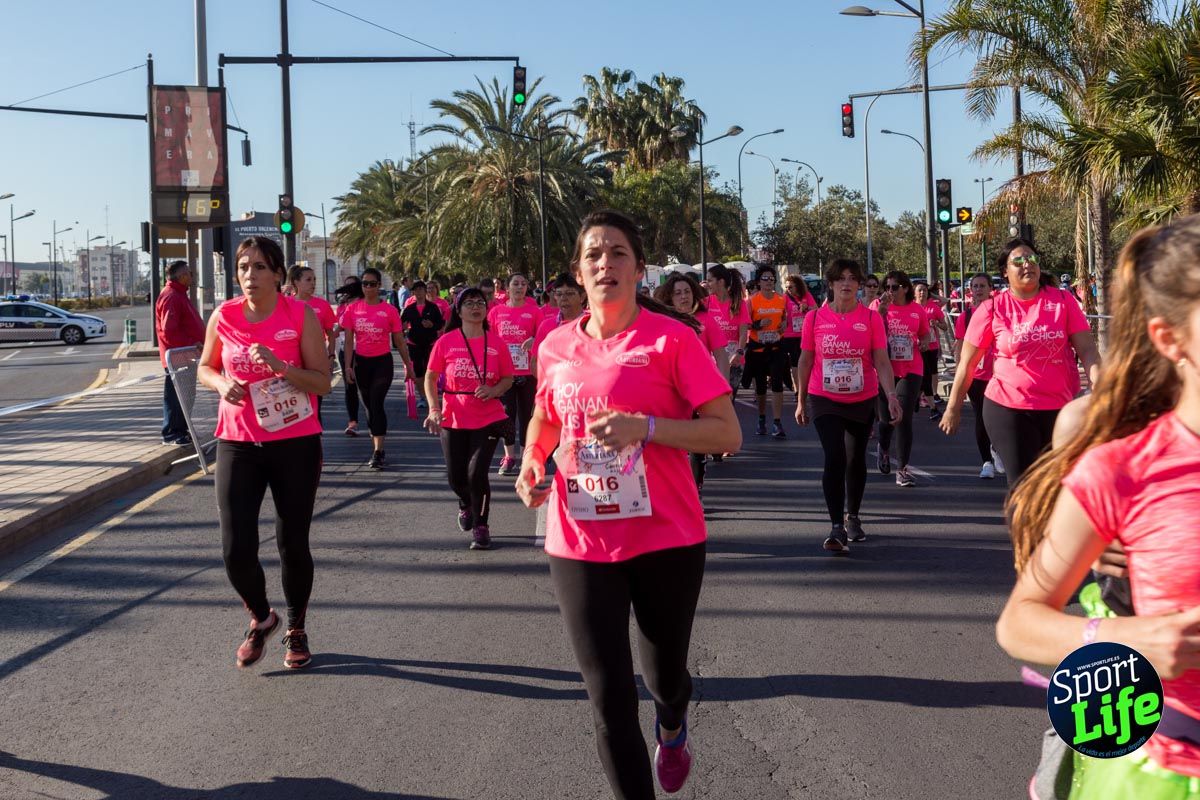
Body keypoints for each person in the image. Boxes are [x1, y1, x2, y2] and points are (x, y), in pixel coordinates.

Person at [517, 210, 740, 799]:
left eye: (617, 253)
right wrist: (531, 463)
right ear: (577, 271)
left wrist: (648, 428)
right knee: (609, 696)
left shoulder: (673, 340)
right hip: (578, 538)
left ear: (639, 270)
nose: (604, 264)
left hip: (666, 537)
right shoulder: (555, 346)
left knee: (664, 679)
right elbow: (545, 418)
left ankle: (672, 723)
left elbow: (725, 434)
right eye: (593, 254)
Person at [996, 215, 1200, 797]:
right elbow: (1021, 617)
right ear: (1168, 337)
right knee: (1068, 765)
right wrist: (1130, 641)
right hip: (1147, 729)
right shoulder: (1108, 445)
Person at [196, 236, 331, 670]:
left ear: (277, 273)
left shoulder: (300, 315)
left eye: (258, 267)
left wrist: (281, 366)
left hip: (294, 443)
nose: (249, 275)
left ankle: (296, 628)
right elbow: (205, 366)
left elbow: (322, 382)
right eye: (242, 267)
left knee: (292, 542)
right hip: (238, 441)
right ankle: (261, 616)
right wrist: (220, 384)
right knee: (235, 547)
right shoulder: (225, 315)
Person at [940, 238, 1101, 487]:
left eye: (1031, 258)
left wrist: (1100, 386)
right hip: (1008, 408)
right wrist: (953, 407)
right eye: (1018, 261)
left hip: (1059, 407)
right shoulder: (992, 309)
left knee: (1057, 487)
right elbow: (967, 364)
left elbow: (1088, 351)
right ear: (1005, 271)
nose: (1027, 264)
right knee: (1025, 488)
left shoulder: (1062, 301)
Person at [795, 259, 902, 552]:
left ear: (858, 284)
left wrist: (891, 395)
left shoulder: (870, 319)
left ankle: (852, 515)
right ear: (830, 284)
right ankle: (836, 526)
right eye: (840, 279)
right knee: (835, 455)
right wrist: (801, 399)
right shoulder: (814, 319)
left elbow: (881, 359)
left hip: (861, 398)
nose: (846, 284)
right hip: (824, 396)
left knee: (855, 460)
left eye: (852, 279)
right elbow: (805, 360)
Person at [423, 287, 515, 551]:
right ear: (459, 310)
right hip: (453, 416)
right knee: (456, 478)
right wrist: (433, 408)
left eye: (480, 303)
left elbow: (508, 378)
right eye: (469, 303)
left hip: (488, 416)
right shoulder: (446, 341)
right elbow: (430, 377)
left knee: (477, 474)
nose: (476, 307)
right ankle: (465, 503)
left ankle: (481, 526)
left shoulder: (496, 343)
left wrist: (494, 390)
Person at [654, 271, 731, 494]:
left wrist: (724, 390)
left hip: (700, 393)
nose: (683, 296)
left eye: (687, 292)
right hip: (670, 393)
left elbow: (721, 354)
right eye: (678, 293)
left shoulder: (706, 320)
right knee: (670, 445)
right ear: (670, 297)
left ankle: (694, 491)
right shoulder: (662, 322)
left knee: (697, 446)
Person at [341, 268, 415, 470]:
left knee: (376, 403)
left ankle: (378, 451)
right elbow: (348, 342)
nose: (368, 287)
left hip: (382, 363)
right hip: (361, 363)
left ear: (379, 285)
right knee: (368, 407)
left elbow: (400, 342)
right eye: (365, 284)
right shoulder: (353, 309)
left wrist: (408, 366)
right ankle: (377, 444)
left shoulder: (389, 310)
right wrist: (347, 366)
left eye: (372, 284)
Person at [872, 271, 930, 487]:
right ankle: (884, 448)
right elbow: (870, 330)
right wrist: (881, 310)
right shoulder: (878, 306)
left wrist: (924, 342)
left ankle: (902, 469)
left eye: (894, 287)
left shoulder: (917, 310)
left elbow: (925, 333)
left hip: (911, 368)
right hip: (884, 369)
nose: (890, 291)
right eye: (886, 287)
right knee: (886, 421)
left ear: (905, 288)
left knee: (903, 418)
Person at [488, 273, 541, 476]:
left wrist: (534, 340)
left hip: (528, 371)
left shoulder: (534, 311)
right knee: (507, 415)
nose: (520, 287)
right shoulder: (496, 312)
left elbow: (544, 336)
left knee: (528, 416)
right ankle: (510, 457)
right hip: (505, 373)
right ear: (507, 288)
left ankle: (528, 458)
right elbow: (490, 341)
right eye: (515, 284)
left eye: (523, 284)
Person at [952, 273, 1002, 479]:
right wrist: (960, 372)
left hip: (1000, 374)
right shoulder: (967, 316)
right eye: (975, 286)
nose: (978, 289)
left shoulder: (1001, 312)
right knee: (981, 417)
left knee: (1000, 418)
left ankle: (998, 449)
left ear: (991, 288)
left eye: (982, 285)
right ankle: (987, 462)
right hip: (977, 375)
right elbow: (959, 346)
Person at [154, 260, 205, 446]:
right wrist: (192, 344)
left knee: (186, 396)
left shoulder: (179, 294)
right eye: (190, 273)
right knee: (177, 397)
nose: (192, 276)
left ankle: (182, 430)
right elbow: (169, 330)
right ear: (182, 275)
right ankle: (172, 433)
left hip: (186, 356)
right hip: (179, 358)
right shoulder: (172, 296)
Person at [287, 265, 338, 424]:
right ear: (296, 282)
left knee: (315, 404)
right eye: (308, 279)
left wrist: (330, 356)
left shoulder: (322, 305)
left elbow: (330, 334)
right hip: (293, 362)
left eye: (314, 279)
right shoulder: (285, 303)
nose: (313, 283)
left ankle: (315, 436)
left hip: (316, 361)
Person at [745, 265, 789, 439]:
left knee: (778, 382)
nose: (769, 281)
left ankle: (777, 422)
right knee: (761, 386)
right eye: (765, 278)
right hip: (758, 347)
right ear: (759, 281)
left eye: (772, 278)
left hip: (777, 346)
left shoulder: (781, 299)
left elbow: (784, 318)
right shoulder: (752, 301)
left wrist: (783, 325)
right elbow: (745, 324)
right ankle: (762, 418)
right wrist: (757, 324)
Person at [704, 263, 750, 393]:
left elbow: (743, 332)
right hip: (711, 361)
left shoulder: (739, 304)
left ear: (721, 282)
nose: (707, 284)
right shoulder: (705, 302)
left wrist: (739, 352)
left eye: (710, 280)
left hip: (734, 360)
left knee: (728, 399)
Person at [400, 281, 444, 411]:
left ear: (425, 292)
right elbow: (400, 325)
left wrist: (432, 325)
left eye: (421, 290)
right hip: (414, 343)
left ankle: (432, 395)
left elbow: (440, 324)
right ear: (413, 292)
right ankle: (423, 397)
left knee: (430, 370)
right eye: (416, 290)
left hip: (430, 343)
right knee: (418, 371)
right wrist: (403, 328)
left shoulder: (433, 307)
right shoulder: (410, 308)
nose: (418, 293)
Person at [332, 276, 364, 436]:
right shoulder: (342, 306)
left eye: (353, 285)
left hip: (366, 350)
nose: (349, 288)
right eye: (347, 285)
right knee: (349, 386)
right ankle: (353, 422)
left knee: (365, 387)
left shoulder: (365, 303)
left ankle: (374, 418)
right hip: (346, 349)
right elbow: (339, 326)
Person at [913, 281, 948, 419]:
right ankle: (932, 407)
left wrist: (937, 324)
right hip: (916, 347)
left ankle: (920, 400)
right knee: (924, 375)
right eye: (920, 290)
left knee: (929, 373)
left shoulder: (933, 307)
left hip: (931, 346)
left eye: (925, 291)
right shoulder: (911, 307)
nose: (922, 293)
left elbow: (945, 326)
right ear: (914, 293)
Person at [533, 273, 587, 361]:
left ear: (582, 296)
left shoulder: (592, 324)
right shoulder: (546, 326)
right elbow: (535, 361)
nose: (563, 298)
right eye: (559, 294)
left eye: (569, 293)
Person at [782, 274, 817, 396]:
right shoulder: (785, 297)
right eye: (786, 287)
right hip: (790, 335)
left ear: (798, 286)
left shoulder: (806, 296)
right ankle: (798, 390)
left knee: (808, 361)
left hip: (805, 334)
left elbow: (815, 311)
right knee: (795, 363)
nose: (788, 290)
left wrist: (807, 308)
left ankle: (807, 385)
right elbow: (781, 313)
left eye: (791, 287)